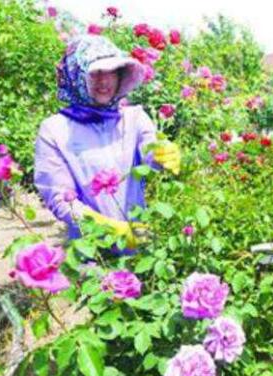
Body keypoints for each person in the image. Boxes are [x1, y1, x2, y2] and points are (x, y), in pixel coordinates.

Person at [34, 35, 180, 247]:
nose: (104, 81)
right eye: (94, 73)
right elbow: (59, 198)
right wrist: (114, 231)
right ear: (77, 76)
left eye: (111, 71)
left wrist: (163, 153)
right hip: (91, 250)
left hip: (140, 242)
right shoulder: (55, 130)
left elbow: (151, 157)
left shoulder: (134, 118)